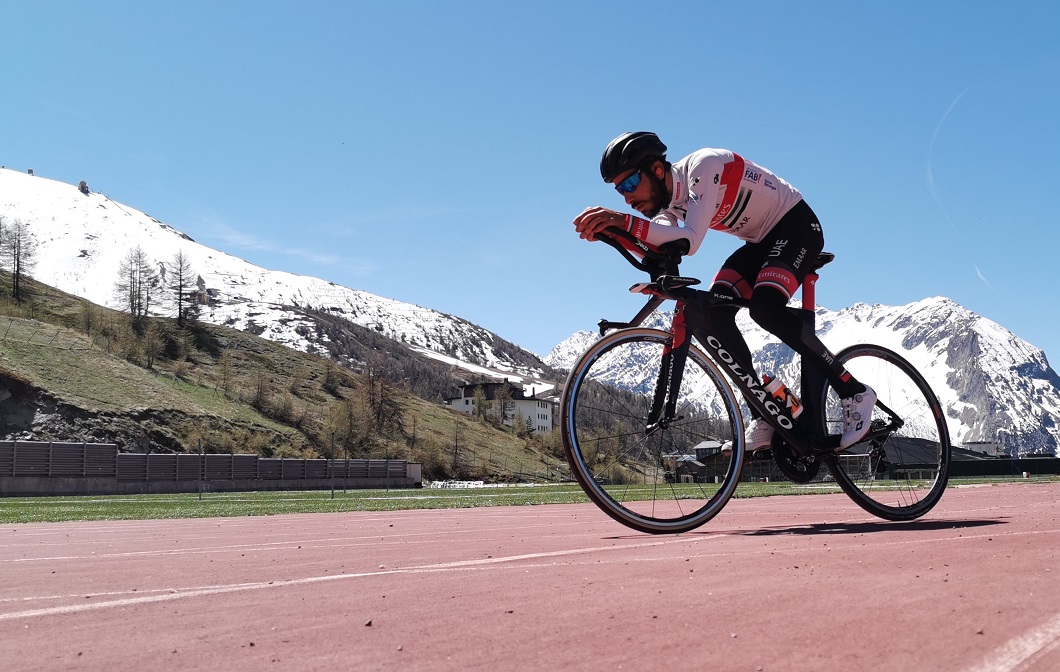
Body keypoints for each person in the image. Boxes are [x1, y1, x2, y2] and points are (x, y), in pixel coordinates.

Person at [572, 131, 876, 451]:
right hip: (760, 244)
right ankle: (767, 413)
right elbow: (662, 248)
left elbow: (690, 240)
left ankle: (853, 391)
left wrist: (623, 222)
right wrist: (613, 234)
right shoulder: (670, 207)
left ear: (657, 170)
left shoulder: (703, 166)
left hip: (797, 228)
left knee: (766, 309)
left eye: (630, 184)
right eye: (620, 190)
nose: (627, 198)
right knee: (715, 313)